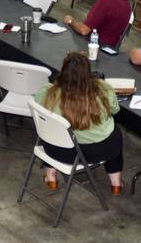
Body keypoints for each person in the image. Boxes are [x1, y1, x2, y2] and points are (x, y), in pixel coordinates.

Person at [36, 51, 124, 194]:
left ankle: (51, 177)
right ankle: (116, 184)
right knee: (115, 134)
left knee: (50, 129)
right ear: (88, 73)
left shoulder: (47, 93)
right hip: (98, 151)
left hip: (58, 151)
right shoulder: (103, 89)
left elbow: (39, 108)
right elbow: (114, 110)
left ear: (63, 71)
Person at [63, 0, 132, 48]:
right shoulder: (126, 3)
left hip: (93, 46)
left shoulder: (106, 1)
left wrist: (70, 20)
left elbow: (84, 30)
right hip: (110, 48)